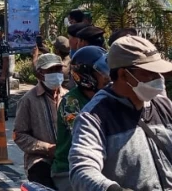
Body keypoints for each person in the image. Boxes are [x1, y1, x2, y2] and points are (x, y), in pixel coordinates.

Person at [69, 36, 172, 191]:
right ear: (124, 75)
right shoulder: (94, 117)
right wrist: (111, 189)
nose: (159, 79)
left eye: (159, 73)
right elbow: (82, 169)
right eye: (150, 73)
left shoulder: (164, 105)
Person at [51, 46, 110, 191]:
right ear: (86, 76)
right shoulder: (71, 102)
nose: (107, 75)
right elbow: (87, 135)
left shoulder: (109, 97)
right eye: (101, 71)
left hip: (102, 167)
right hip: (69, 170)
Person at [13, 53, 68, 188]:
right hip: (40, 159)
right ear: (39, 75)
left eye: (58, 70)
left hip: (67, 158)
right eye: (50, 71)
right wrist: (47, 148)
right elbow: (19, 135)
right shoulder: (28, 100)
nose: (55, 74)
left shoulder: (69, 97)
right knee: (41, 176)